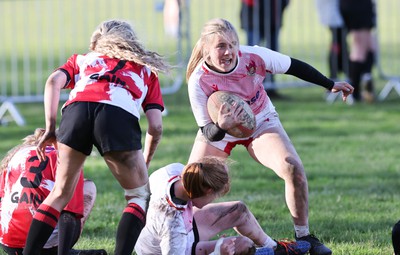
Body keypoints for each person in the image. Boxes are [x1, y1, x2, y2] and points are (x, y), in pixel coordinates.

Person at [186, 18, 354, 255]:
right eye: (221, 46)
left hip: (260, 121)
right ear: (205, 50)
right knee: (193, 182)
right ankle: (185, 240)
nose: (229, 52)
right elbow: (208, 132)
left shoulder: (253, 57)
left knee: (292, 167)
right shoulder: (198, 80)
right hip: (219, 131)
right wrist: (223, 125)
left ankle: (305, 237)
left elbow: (293, 66)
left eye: (233, 44)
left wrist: (329, 84)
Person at [22, 19, 171, 255]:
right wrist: (145, 158)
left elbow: (53, 82)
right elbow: (156, 126)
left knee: (60, 193)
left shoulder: (83, 59)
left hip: (76, 111)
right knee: (139, 196)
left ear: (97, 42)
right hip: (116, 114)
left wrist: (50, 128)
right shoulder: (145, 70)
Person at [135, 156, 311, 255]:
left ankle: (276, 249)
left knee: (238, 210)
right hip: (162, 249)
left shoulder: (173, 171)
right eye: (214, 196)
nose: (212, 201)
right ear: (207, 190)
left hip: (179, 228)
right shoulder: (173, 228)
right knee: (244, 246)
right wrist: (217, 253)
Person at [0, 128, 106, 255]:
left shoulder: (16, 156)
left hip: (8, 243)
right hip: (47, 245)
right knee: (88, 186)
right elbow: (69, 214)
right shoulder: (67, 158)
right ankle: (62, 251)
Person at [240, 0, 290, 99]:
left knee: (273, 56)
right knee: (251, 58)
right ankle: (249, 91)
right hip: (253, 19)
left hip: (273, 19)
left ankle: (270, 89)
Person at [339, 0, 377, 103]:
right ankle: (353, 92)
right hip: (357, 5)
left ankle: (366, 79)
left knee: (370, 46)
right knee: (359, 49)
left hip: (360, 6)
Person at [315, 0, 348, 80]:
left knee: (340, 42)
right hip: (334, 13)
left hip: (337, 12)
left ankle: (338, 73)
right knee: (337, 42)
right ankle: (334, 75)